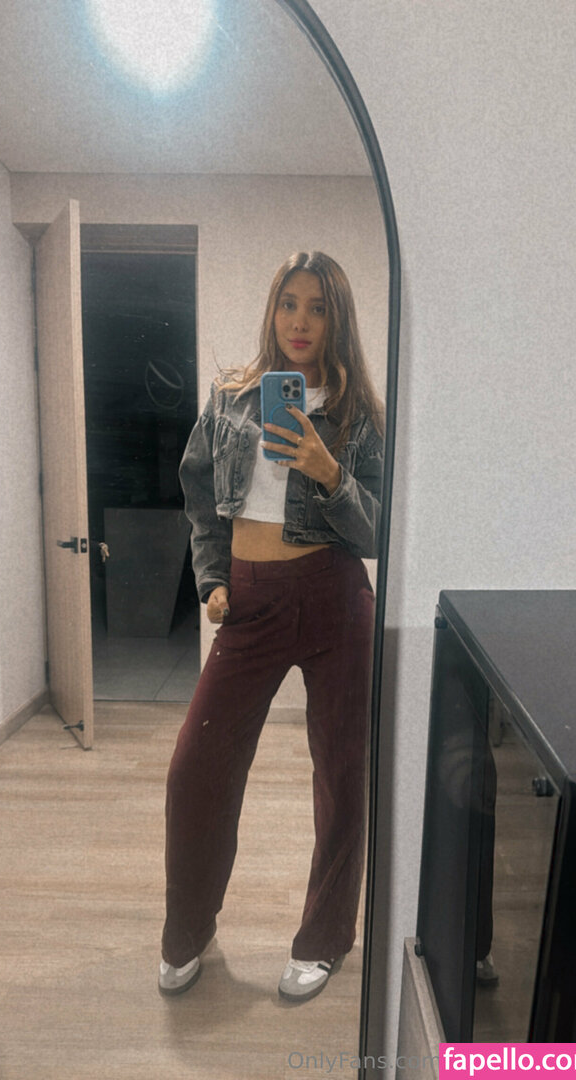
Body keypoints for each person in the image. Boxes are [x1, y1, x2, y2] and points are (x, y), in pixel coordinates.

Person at [159, 251, 384, 1002]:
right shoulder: (231, 399)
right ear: (272, 309)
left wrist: (329, 470)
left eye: (318, 307)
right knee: (196, 769)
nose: (300, 321)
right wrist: (213, 580)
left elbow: (378, 532)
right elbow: (200, 498)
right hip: (250, 604)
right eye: (289, 303)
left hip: (334, 598)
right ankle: (188, 929)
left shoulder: (359, 415)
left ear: (337, 319)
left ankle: (324, 939)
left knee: (342, 775)